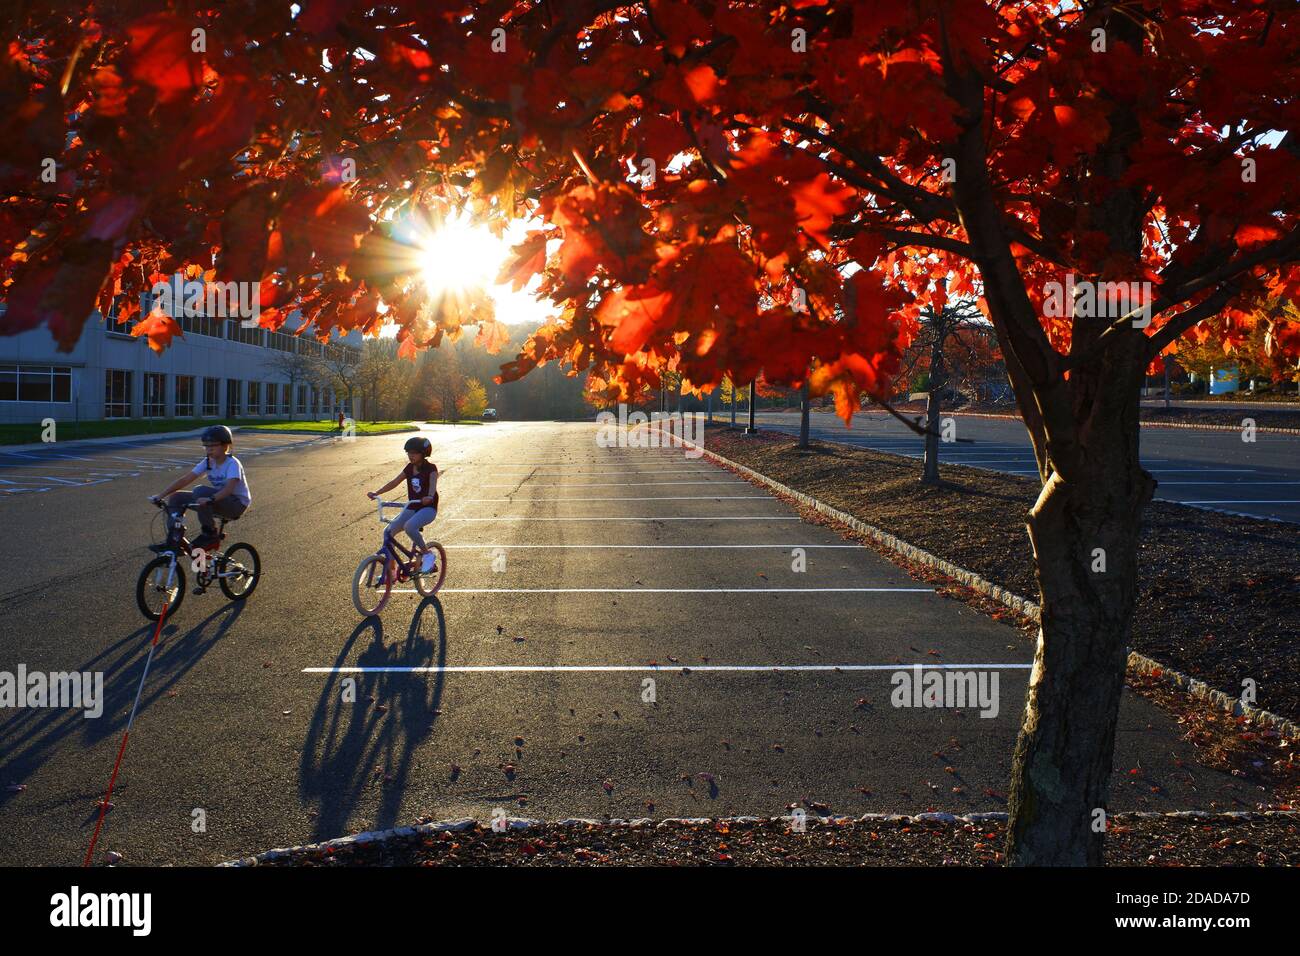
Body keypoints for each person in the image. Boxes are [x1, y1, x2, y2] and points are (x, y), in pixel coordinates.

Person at [153, 425, 252, 550]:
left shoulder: (232, 463)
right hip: (218, 500)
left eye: (213, 446)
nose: (209, 449)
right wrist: (160, 496)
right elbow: (185, 479)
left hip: (236, 505)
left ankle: (210, 533)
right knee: (176, 497)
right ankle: (174, 538)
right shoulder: (208, 462)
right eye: (206, 446)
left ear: (225, 446)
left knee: (200, 491)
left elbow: (229, 489)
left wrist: (210, 499)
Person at [367, 436, 441, 567]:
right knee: (388, 532)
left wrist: (429, 496)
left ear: (423, 454)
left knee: (409, 526)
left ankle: (427, 554)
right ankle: (391, 569)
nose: (410, 456)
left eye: (414, 453)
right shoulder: (409, 468)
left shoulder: (431, 469)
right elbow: (395, 482)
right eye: (409, 453)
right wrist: (377, 493)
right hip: (412, 507)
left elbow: (433, 484)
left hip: (427, 508)